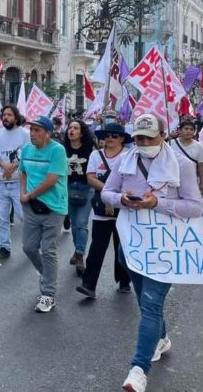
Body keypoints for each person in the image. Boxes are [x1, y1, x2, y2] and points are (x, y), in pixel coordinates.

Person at [101, 114, 203, 392]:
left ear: (163, 135)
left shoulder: (181, 164)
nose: (143, 143)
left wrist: (157, 203)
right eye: (138, 138)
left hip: (165, 248)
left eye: (149, 137)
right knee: (148, 304)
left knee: (150, 305)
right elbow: (106, 193)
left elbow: (194, 207)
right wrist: (120, 199)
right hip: (131, 248)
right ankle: (162, 338)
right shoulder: (125, 161)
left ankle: (138, 369)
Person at [18, 116, 68, 313]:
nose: (33, 134)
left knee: (48, 250)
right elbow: (22, 171)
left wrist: (30, 194)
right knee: (29, 247)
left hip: (53, 207)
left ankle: (48, 294)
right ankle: (45, 273)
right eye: (31, 130)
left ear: (47, 133)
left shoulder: (58, 150)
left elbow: (52, 179)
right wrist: (22, 192)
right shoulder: (27, 150)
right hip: (31, 207)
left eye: (37, 131)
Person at [76, 123, 132, 298]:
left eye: (114, 135)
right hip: (101, 208)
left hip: (124, 207)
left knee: (121, 246)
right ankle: (88, 284)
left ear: (122, 138)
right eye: (107, 135)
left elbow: (130, 181)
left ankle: (124, 280)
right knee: (97, 248)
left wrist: (114, 198)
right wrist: (108, 195)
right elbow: (91, 178)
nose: (109, 138)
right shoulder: (95, 155)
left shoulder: (129, 156)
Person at [0, 105, 29, 261]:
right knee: (2, 217)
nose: (6, 117)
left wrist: (14, 165)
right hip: (2, 182)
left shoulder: (25, 134)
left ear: (16, 117)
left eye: (9, 115)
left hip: (20, 182)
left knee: (23, 216)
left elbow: (30, 154)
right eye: (4, 115)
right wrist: (3, 164)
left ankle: (31, 244)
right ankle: (4, 246)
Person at [64, 118, 96, 276]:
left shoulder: (91, 149)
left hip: (86, 188)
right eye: (70, 128)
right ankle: (77, 251)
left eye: (76, 128)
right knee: (74, 224)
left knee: (82, 223)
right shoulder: (62, 149)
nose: (72, 131)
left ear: (82, 132)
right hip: (67, 189)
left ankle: (80, 255)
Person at [169, 120, 203, 193]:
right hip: (172, 181)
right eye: (186, 129)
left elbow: (202, 166)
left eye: (191, 129)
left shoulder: (199, 146)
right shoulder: (170, 144)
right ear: (179, 131)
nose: (189, 131)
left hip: (191, 182)